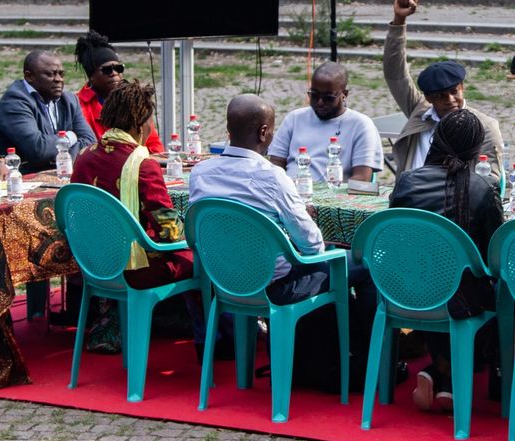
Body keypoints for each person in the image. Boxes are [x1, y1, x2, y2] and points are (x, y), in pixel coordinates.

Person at [188, 95, 374, 343]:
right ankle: (365, 354)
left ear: (228, 129)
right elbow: (313, 248)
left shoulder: (200, 172)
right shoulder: (273, 178)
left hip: (224, 280)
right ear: (264, 132)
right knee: (367, 264)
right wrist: (292, 222)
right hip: (276, 285)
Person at [69, 81, 198, 354]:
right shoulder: (143, 164)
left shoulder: (83, 157)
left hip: (92, 264)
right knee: (203, 259)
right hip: (132, 270)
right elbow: (169, 230)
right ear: (141, 126)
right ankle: (212, 341)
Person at [388, 109, 503, 412]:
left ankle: (439, 370)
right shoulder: (482, 188)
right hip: (458, 300)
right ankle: (455, 378)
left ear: (435, 141)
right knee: (498, 292)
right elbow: (496, 255)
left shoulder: (407, 181)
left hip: (404, 291)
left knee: (439, 275)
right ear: (477, 150)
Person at [384, 0, 504, 177]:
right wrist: (399, 20)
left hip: (455, 202)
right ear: (428, 98)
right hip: (409, 197)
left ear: (462, 87)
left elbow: (492, 181)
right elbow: (395, 74)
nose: (450, 100)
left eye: (454, 92)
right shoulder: (419, 111)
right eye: (440, 96)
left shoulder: (485, 126)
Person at [269, 61, 383, 183]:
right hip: (291, 195)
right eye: (314, 95)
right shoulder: (294, 118)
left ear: (344, 95)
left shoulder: (361, 125)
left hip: (335, 198)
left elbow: (362, 178)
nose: (320, 102)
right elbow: (276, 166)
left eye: (328, 98)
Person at [0, 50, 95, 174]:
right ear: (29, 76)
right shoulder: (14, 102)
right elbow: (39, 150)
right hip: (20, 179)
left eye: (61, 74)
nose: (58, 80)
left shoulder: (69, 101)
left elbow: (90, 143)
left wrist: (55, 155)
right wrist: (71, 137)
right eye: (50, 74)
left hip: (60, 174)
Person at [74, 31, 163, 153]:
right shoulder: (77, 105)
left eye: (118, 68)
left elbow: (155, 146)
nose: (114, 73)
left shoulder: (134, 100)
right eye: (107, 70)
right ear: (91, 76)